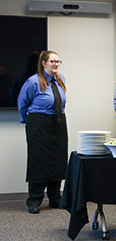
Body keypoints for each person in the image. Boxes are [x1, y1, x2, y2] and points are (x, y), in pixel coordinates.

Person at [17, 50, 68, 214]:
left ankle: (55, 199)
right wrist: (28, 120)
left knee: (58, 159)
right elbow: (22, 102)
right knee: (38, 161)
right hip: (39, 123)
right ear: (44, 63)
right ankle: (34, 201)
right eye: (52, 61)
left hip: (58, 122)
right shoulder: (33, 82)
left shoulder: (60, 80)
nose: (56, 65)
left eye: (58, 62)